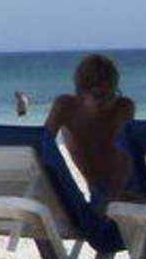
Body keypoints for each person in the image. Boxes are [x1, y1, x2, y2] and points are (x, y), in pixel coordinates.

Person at [44, 53, 136, 207]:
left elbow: (124, 158)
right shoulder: (66, 108)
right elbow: (43, 144)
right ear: (80, 93)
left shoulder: (122, 108)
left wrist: (111, 199)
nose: (107, 102)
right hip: (98, 190)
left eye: (112, 95)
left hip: (127, 183)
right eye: (99, 95)